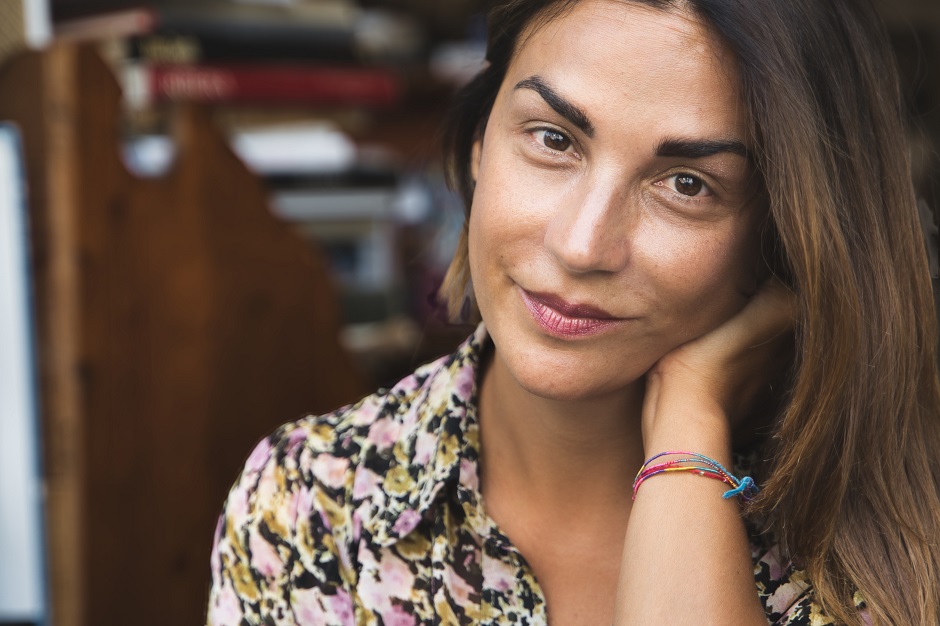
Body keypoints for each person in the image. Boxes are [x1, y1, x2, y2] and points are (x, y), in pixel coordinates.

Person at [205, 0, 940, 624]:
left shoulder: (885, 542)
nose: (583, 243)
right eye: (554, 139)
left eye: (686, 184)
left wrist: (688, 431)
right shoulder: (310, 502)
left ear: (782, 237)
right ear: (476, 147)